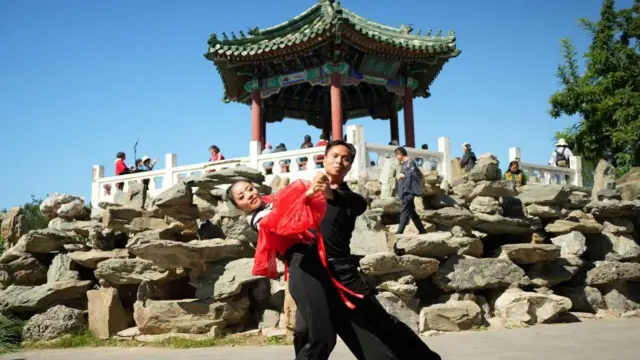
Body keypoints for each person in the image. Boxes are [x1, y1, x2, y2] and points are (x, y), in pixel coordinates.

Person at [294, 140, 442, 360]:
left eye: (345, 158)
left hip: (343, 273)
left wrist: (328, 194)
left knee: (380, 322)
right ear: (323, 159)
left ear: (350, 166)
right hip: (313, 275)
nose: (339, 161)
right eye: (334, 155)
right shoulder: (305, 193)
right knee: (304, 332)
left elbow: (353, 203)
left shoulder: (351, 199)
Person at [227, 174, 364, 360]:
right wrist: (306, 194)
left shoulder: (273, 201)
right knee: (323, 337)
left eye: (249, 189)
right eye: (241, 197)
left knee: (305, 331)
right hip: (303, 268)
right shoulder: (261, 220)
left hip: (314, 265)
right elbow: (285, 220)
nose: (248, 195)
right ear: (238, 207)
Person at [394, 147, 427, 235]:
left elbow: (413, 174)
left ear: (400, 154)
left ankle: (400, 231)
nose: (396, 157)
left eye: (396, 155)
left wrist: (403, 175)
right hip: (405, 191)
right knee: (411, 211)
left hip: (409, 191)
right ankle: (422, 230)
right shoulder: (404, 164)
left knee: (404, 210)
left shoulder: (410, 162)